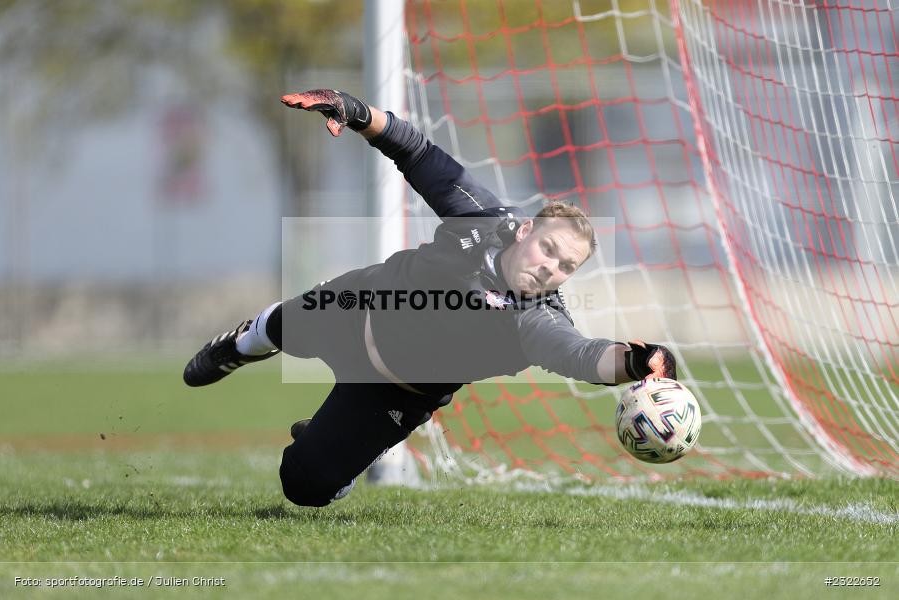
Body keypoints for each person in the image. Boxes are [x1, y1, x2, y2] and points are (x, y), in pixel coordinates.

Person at [183, 89, 677, 507]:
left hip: (395, 392)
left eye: (566, 266)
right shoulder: (484, 219)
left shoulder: (537, 318)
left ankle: (330, 440)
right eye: (548, 248)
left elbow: (581, 355)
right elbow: (418, 154)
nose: (550, 266)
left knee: (305, 488)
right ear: (526, 230)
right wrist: (352, 110)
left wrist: (639, 360)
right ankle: (241, 345)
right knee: (278, 328)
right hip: (361, 306)